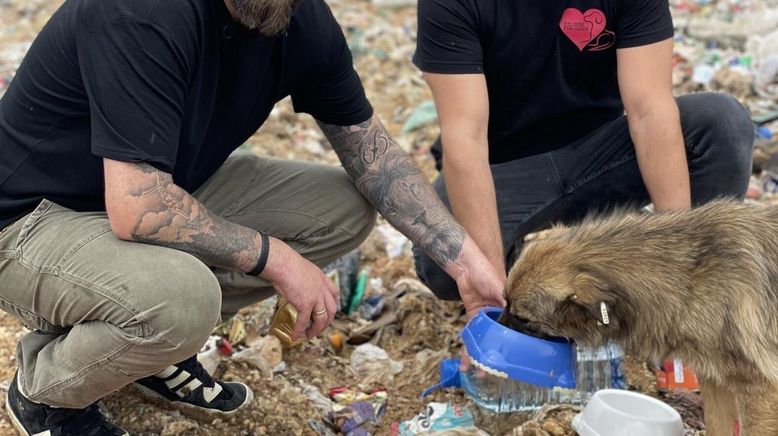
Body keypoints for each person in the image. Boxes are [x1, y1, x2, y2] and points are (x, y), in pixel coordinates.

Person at [0, 0, 505, 434]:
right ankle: (44, 392)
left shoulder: (299, 20)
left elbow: (373, 156)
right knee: (182, 299)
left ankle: (149, 350)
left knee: (341, 209)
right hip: (30, 220)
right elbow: (137, 206)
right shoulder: (144, 12)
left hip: (157, 187)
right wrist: (277, 259)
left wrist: (462, 260)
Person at [412, 0, 755, 300]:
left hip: (599, 155)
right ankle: (524, 267)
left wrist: (677, 265)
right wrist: (497, 304)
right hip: (502, 167)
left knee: (721, 124)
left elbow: (650, 111)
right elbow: (466, 141)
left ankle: (677, 278)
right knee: (445, 264)